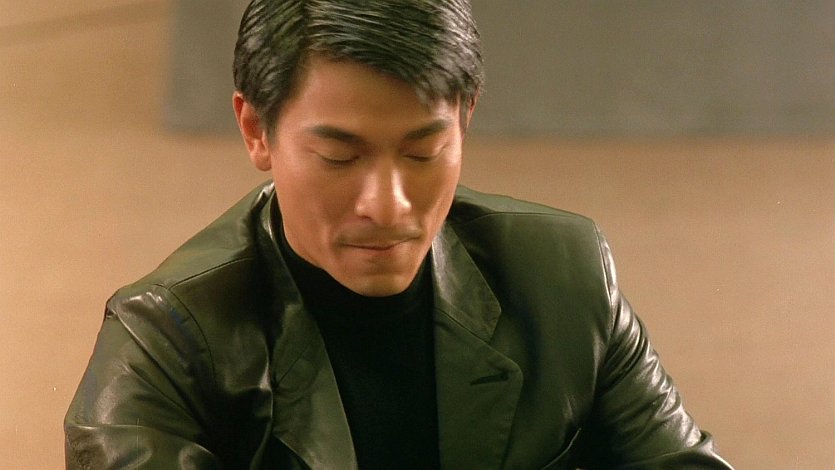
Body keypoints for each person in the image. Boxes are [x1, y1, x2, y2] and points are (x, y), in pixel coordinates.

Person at [65, 1, 734, 468]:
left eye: (422, 153)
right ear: (255, 131)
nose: (387, 205)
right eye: (339, 157)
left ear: (465, 119)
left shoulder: (562, 273)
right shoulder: (163, 339)